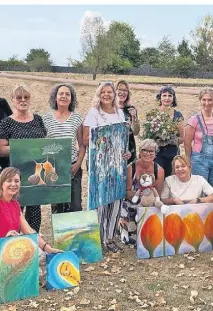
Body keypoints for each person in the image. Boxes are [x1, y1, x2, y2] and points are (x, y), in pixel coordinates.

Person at [0, 167, 61, 276]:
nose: (13, 184)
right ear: (1, 183)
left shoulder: (15, 205)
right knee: (34, 272)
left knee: (43, 256)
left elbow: (28, 231)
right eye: (9, 181)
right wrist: (4, 240)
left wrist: (47, 247)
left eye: (16, 181)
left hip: (10, 251)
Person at [83, 81, 131, 253]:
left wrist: (126, 153)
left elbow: (123, 138)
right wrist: (103, 135)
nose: (106, 94)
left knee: (116, 200)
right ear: (98, 94)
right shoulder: (93, 113)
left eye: (109, 92)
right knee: (101, 201)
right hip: (99, 163)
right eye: (103, 92)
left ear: (114, 94)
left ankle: (110, 238)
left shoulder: (120, 113)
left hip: (117, 164)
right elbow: (85, 138)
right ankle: (98, 238)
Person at [0, 84, 47, 233]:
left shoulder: (38, 119)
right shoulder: (6, 123)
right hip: (15, 175)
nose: (23, 100)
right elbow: (1, 149)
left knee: (34, 212)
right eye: (19, 97)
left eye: (26, 97)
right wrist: (25, 147)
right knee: (14, 212)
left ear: (30, 100)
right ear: (13, 100)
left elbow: (43, 144)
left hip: (36, 174)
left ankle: (32, 246)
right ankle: (14, 247)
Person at [42, 83, 85, 213]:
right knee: (57, 207)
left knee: (76, 206)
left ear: (71, 99)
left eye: (67, 94)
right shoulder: (45, 119)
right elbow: (42, 145)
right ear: (55, 97)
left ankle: (75, 233)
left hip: (72, 168)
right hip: (53, 168)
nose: (64, 96)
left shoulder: (77, 118)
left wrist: (77, 164)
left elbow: (82, 145)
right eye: (61, 94)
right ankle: (59, 233)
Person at [120, 139, 165, 245]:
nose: (148, 153)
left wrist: (148, 198)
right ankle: (127, 227)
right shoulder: (131, 167)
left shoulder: (159, 170)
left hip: (149, 201)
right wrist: (139, 195)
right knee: (128, 240)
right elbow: (127, 192)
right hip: (133, 200)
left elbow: (158, 194)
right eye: (145, 150)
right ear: (140, 151)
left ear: (155, 153)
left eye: (151, 151)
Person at [185, 87, 213, 192]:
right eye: (204, 100)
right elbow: (187, 143)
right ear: (200, 100)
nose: (207, 103)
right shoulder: (194, 120)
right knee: (200, 190)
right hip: (199, 161)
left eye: (210, 100)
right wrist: (188, 160)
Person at [151, 86, 184, 176]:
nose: (167, 98)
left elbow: (182, 138)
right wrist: (157, 140)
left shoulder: (178, 115)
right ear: (160, 97)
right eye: (164, 95)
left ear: (173, 98)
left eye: (170, 96)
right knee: (157, 178)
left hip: (172, 154)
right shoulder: (153, 114)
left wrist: (170, 140)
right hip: (157, 154)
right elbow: (148, 135)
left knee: (172, 180)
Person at [116, 80, 140, 165]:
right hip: (113, 148)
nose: (122, 93)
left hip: (129, 148)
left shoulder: (131, 109)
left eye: (125, 90)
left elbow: (136, 132)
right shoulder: (109, 108)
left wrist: (134, 117)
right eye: (120, 90)